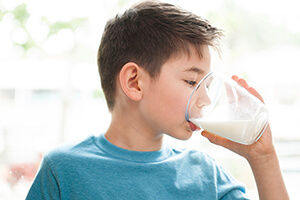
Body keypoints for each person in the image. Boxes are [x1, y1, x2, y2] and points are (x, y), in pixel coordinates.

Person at [26, 1, 289, 199]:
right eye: (191, 82)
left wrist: (263, 157)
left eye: (207, 84)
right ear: (134, 82)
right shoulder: (64, 171)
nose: (206, 99)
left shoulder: (206, 175)